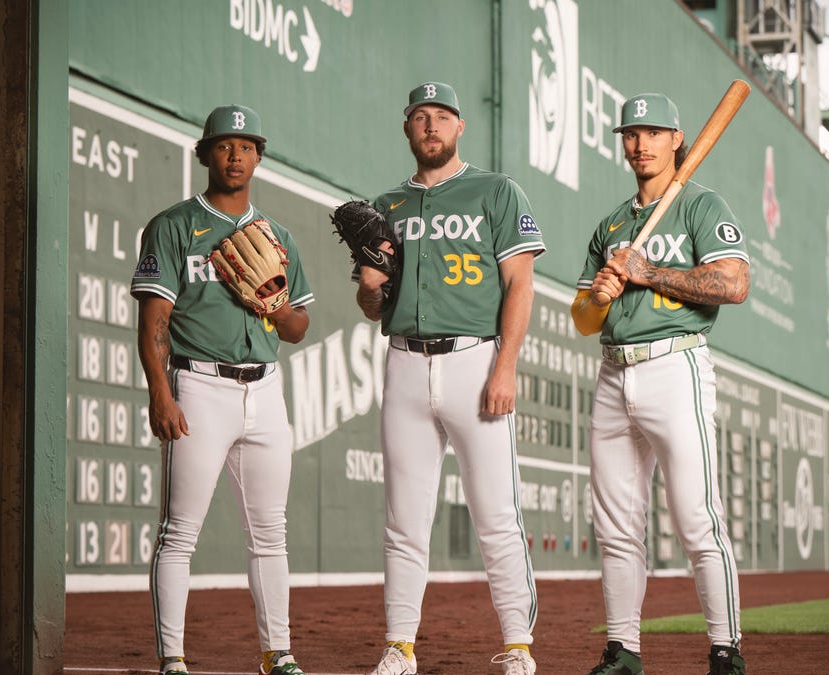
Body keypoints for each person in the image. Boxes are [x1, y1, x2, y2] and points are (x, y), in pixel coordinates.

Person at [354, 82, 545, 675]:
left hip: (475, 361)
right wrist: (368, 287)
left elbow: (520, 284)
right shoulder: (385, 206)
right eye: (420, 116)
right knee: (404, 520)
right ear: (407, 128)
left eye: (442, 116)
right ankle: (400, 645)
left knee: (496, 515)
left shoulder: (496, 190)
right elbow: (374, 307)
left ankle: (518, 646)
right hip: (405, 363)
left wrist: (505, 367)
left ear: (460, 126)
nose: (431, 125)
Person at [569, 92, 749, 675]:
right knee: (616, 527)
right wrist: (599, 297)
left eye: (652, 132)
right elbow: (583, 320)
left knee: (697, 519)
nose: (639, 143)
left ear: (676, 140)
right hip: (612, 372)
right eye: (630, 133)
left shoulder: (701, 205)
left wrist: (649, 273)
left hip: (675, 366)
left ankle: (726, 651)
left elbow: (734, 284)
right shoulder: (612, 224)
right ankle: (623, 650)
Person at [131, 104, 314, 675]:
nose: (236, 155)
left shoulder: (279, 237)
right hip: (199, 386)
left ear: (259, 157)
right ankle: (173, 659)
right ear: (205, 153)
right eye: (224, 145)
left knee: (270, 533)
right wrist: (161, 393)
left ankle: (278, 653)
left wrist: (274, 303)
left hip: (266, 390)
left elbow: (297, 328)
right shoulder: (173, 226)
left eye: (246, 146)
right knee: (180, 532)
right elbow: (153, 324)